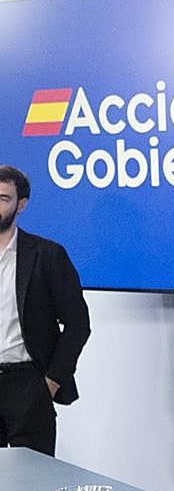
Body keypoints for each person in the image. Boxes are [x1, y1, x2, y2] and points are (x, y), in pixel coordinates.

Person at [0, 165, 90, 457]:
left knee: (33, 487)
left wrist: (50, 383)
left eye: (3, 198)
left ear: (20, 205)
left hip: (28, 385)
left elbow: (77, 324)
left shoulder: (47, 255)